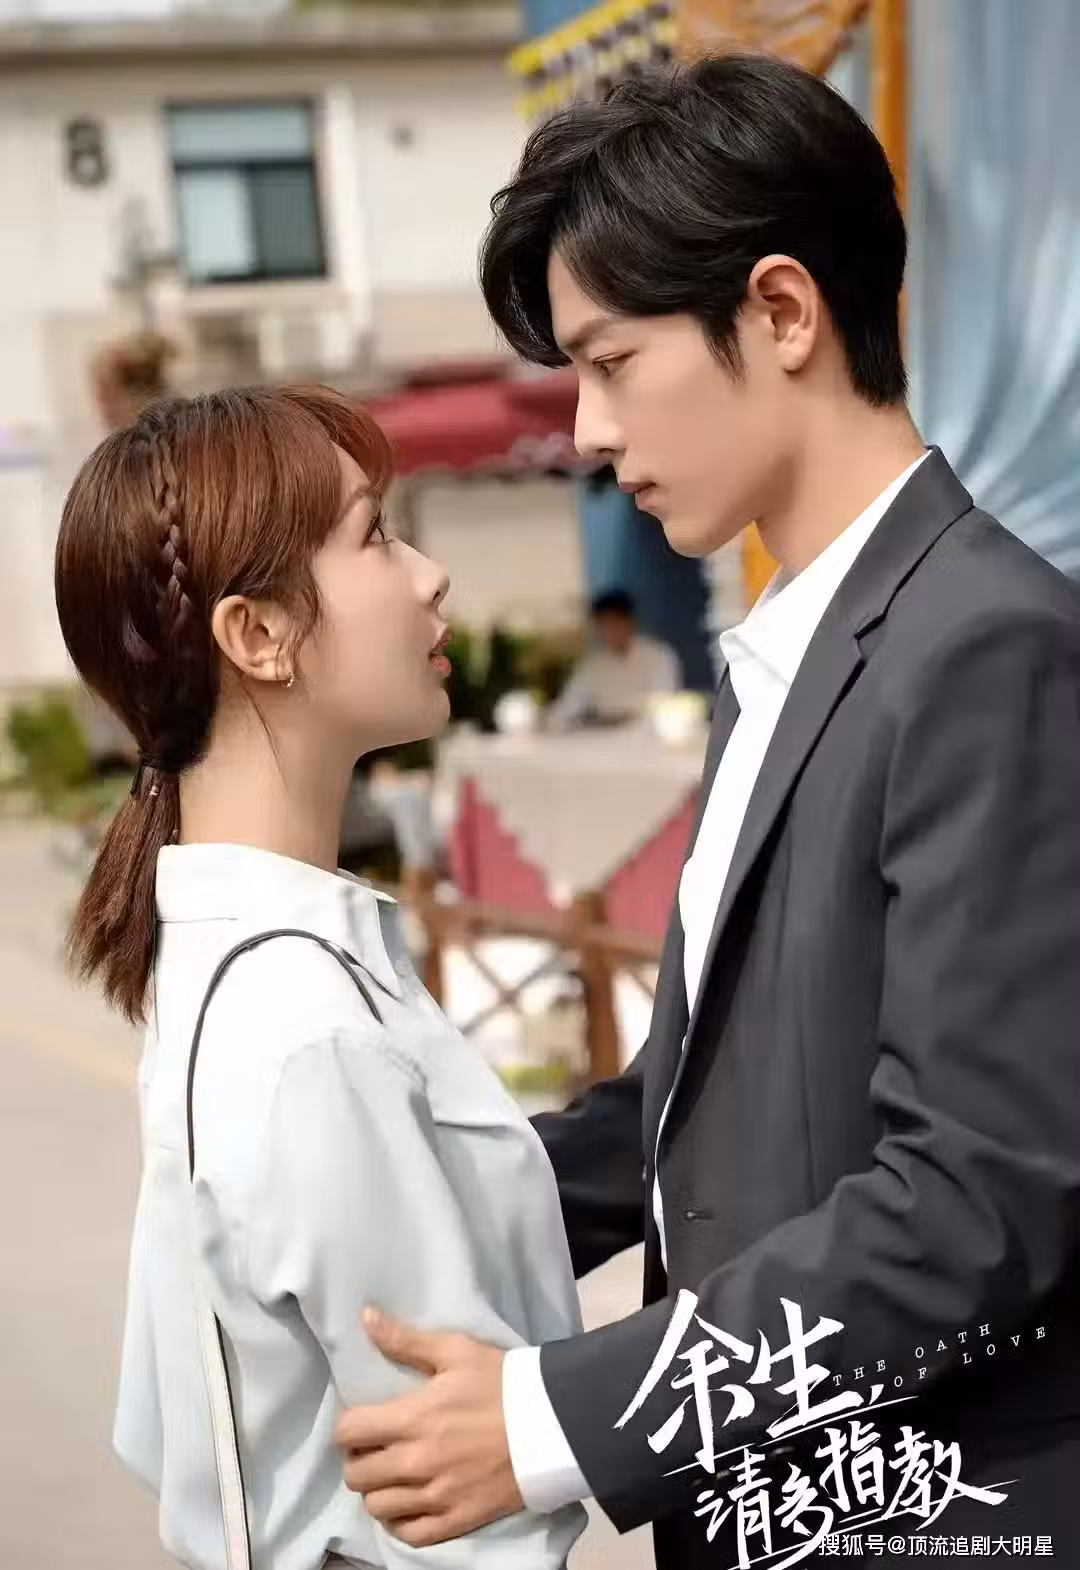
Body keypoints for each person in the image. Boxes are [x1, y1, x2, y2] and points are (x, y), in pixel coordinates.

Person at [333, 54, 1080, 1569]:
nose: (591, 430)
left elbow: (975, 1198)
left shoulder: (989, 648)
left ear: (783, 312)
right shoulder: (788, 654)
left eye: (612, 361)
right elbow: (701, 1107)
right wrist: (393, 1204)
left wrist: (553, 1419)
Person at [54, 386, 587, 1570]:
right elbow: (465, 1510)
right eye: (375, 536)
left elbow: (159, 1426)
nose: (431, 575)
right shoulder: (310, 1029)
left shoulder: (220, 960)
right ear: (258, 635)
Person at [546, 588, 680, 730]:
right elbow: (568, 705)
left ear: (630, 621)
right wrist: (549, 722)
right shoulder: (593, 664)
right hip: (603, 730)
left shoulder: (659, 656)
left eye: (614, 623)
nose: (609, 631)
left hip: (647, 731)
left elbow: (664, 703)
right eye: (603, 625)